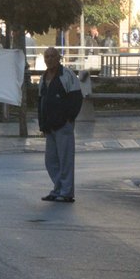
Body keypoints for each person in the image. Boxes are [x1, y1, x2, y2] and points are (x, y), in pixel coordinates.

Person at [38, 47, 83, 203]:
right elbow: (41, 101)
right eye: (47, 56)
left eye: (52, 56)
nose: (49, 59)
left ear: (58, 58)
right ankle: (58, 188)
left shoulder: (67, 75)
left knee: (65, 160)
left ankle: (66, 192)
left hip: (63, 125)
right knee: (50, 161)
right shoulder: (43, 78)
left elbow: (77, 98)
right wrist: (42, 124)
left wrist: (69, 118)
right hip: (49, 126)